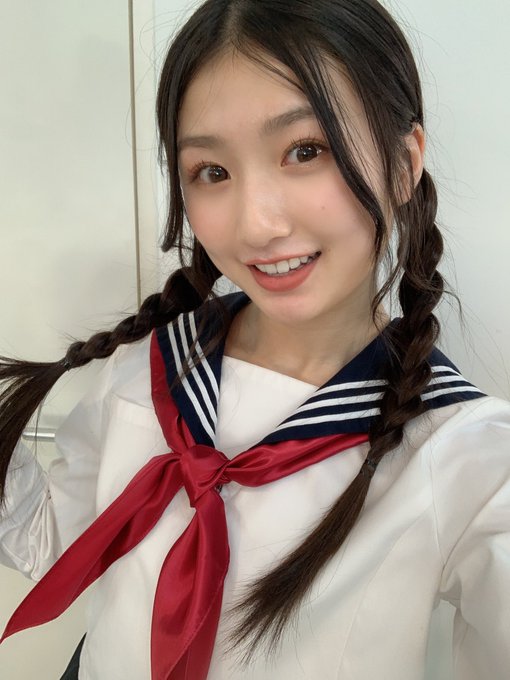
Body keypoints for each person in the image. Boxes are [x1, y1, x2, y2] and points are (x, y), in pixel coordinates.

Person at [0, 0, 509, 678]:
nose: (257, 224)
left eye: (306, 151)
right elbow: (52, 540)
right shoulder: (149, 366)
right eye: (212, 171)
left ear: (403, 162)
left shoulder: (462, 452)